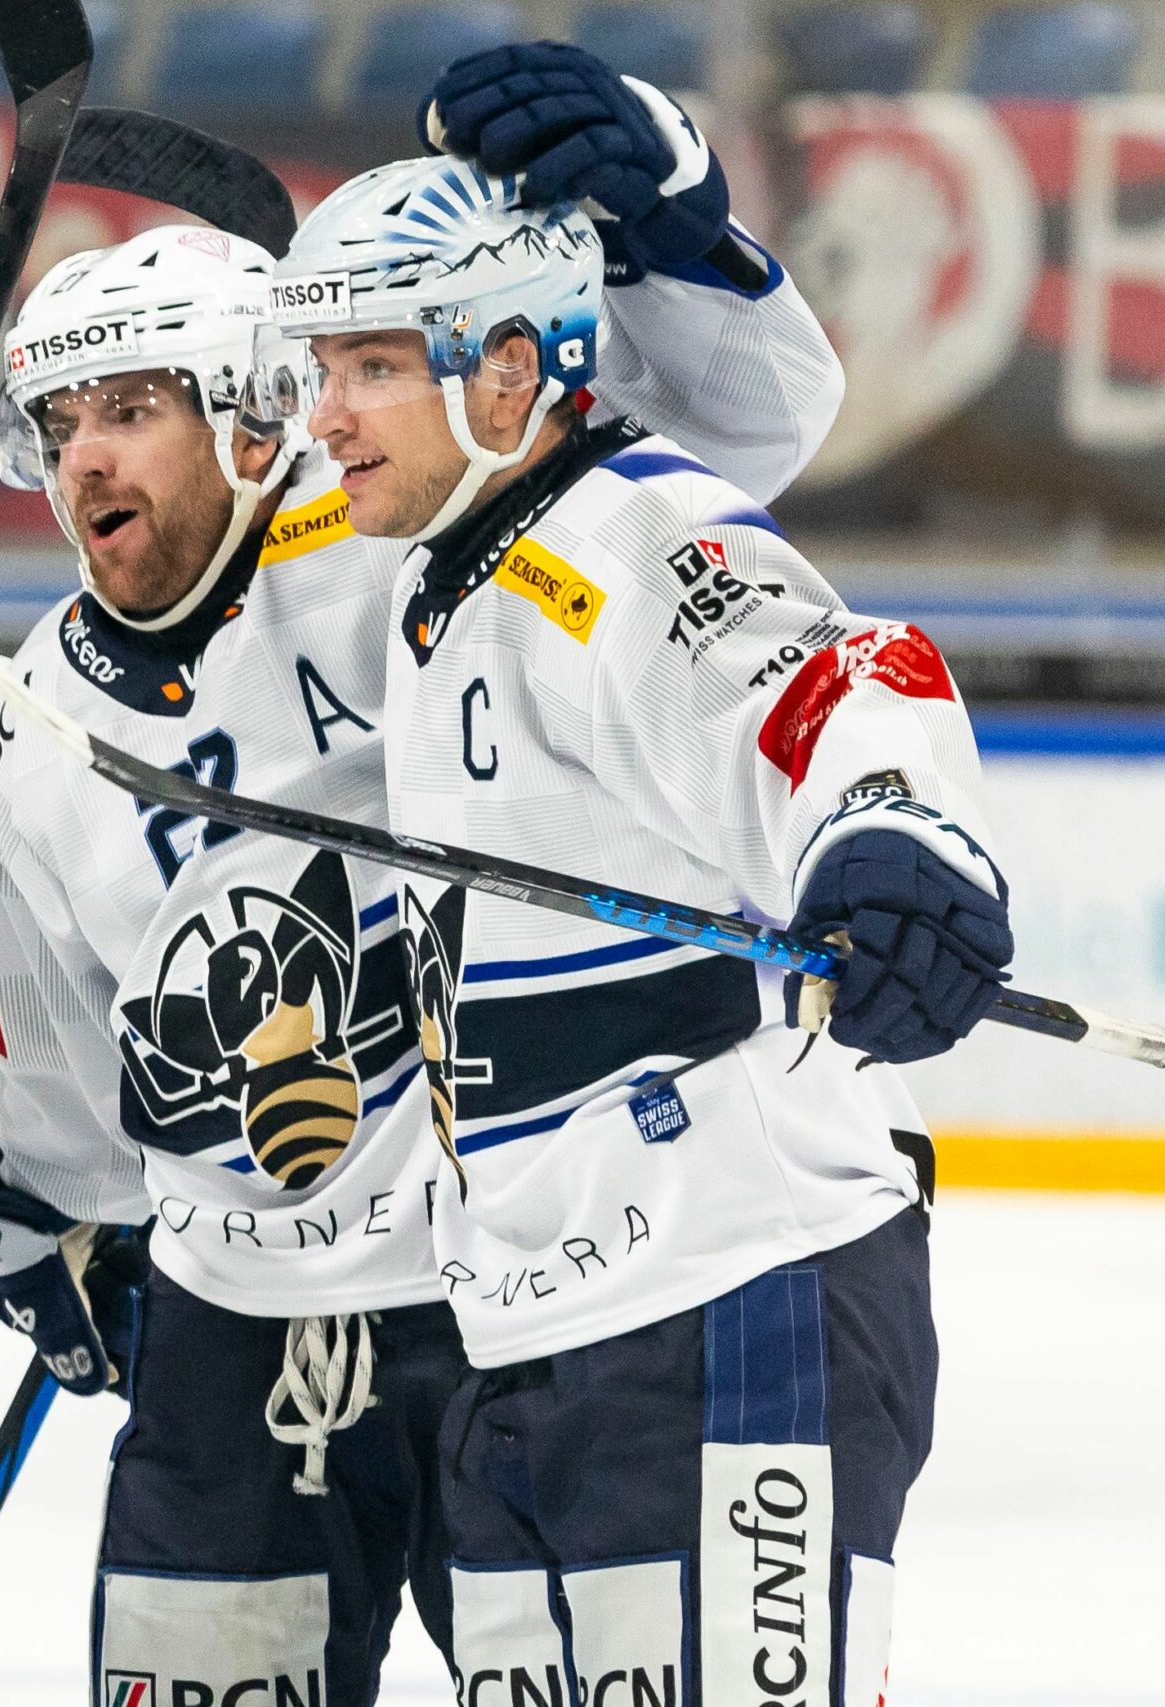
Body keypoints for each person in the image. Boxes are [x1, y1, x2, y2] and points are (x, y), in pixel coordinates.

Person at [0, 47, 848, 1707]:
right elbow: (72, 1046)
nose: (86, 465)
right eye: (58, 424)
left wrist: (680, 230)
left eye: (131, 409)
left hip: (484, 1289)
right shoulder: (26, 723)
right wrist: (43, 1193)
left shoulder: (412, 543)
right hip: (226, 1326)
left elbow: (739, 439)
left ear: (247, 408)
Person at [265, 142, 1008, 1703]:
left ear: (513, 366)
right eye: (321, 365)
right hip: (539, 1332)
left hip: (732, 1301)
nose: (324, 414)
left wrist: (897, 838)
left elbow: (835, 680)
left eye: (373, 364)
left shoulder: (612, 540)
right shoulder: (443, 574)